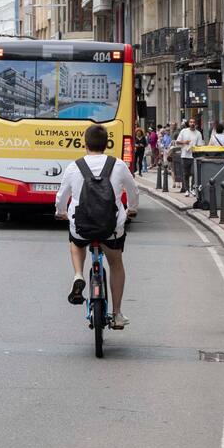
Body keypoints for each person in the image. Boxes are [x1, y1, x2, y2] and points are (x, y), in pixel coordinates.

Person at [55, 123, 139, 329]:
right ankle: (117, 314)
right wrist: (131, 210)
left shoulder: (74, 166)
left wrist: (60, 212)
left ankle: (78, 275)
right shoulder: (118, 165)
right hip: (111, 227)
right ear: (106, 144)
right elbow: (134, 190)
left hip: (82, 226)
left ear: (85, 144)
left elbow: (61, 197)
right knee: (116, 263)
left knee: (76, 243)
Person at [176, 118, 203, 193]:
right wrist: (184, 142)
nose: (192, 123)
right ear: (189, 123)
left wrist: (195, 148)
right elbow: (177, 142)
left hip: (194, 156)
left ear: (195, 124)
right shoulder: (184, 131)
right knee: (186, 174)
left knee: (194, 173)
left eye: (193, 122)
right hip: (184, 155)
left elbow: (200, 145)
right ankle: (187, 189)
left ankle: (192, 188)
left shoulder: (198, 133)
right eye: (191, 122)